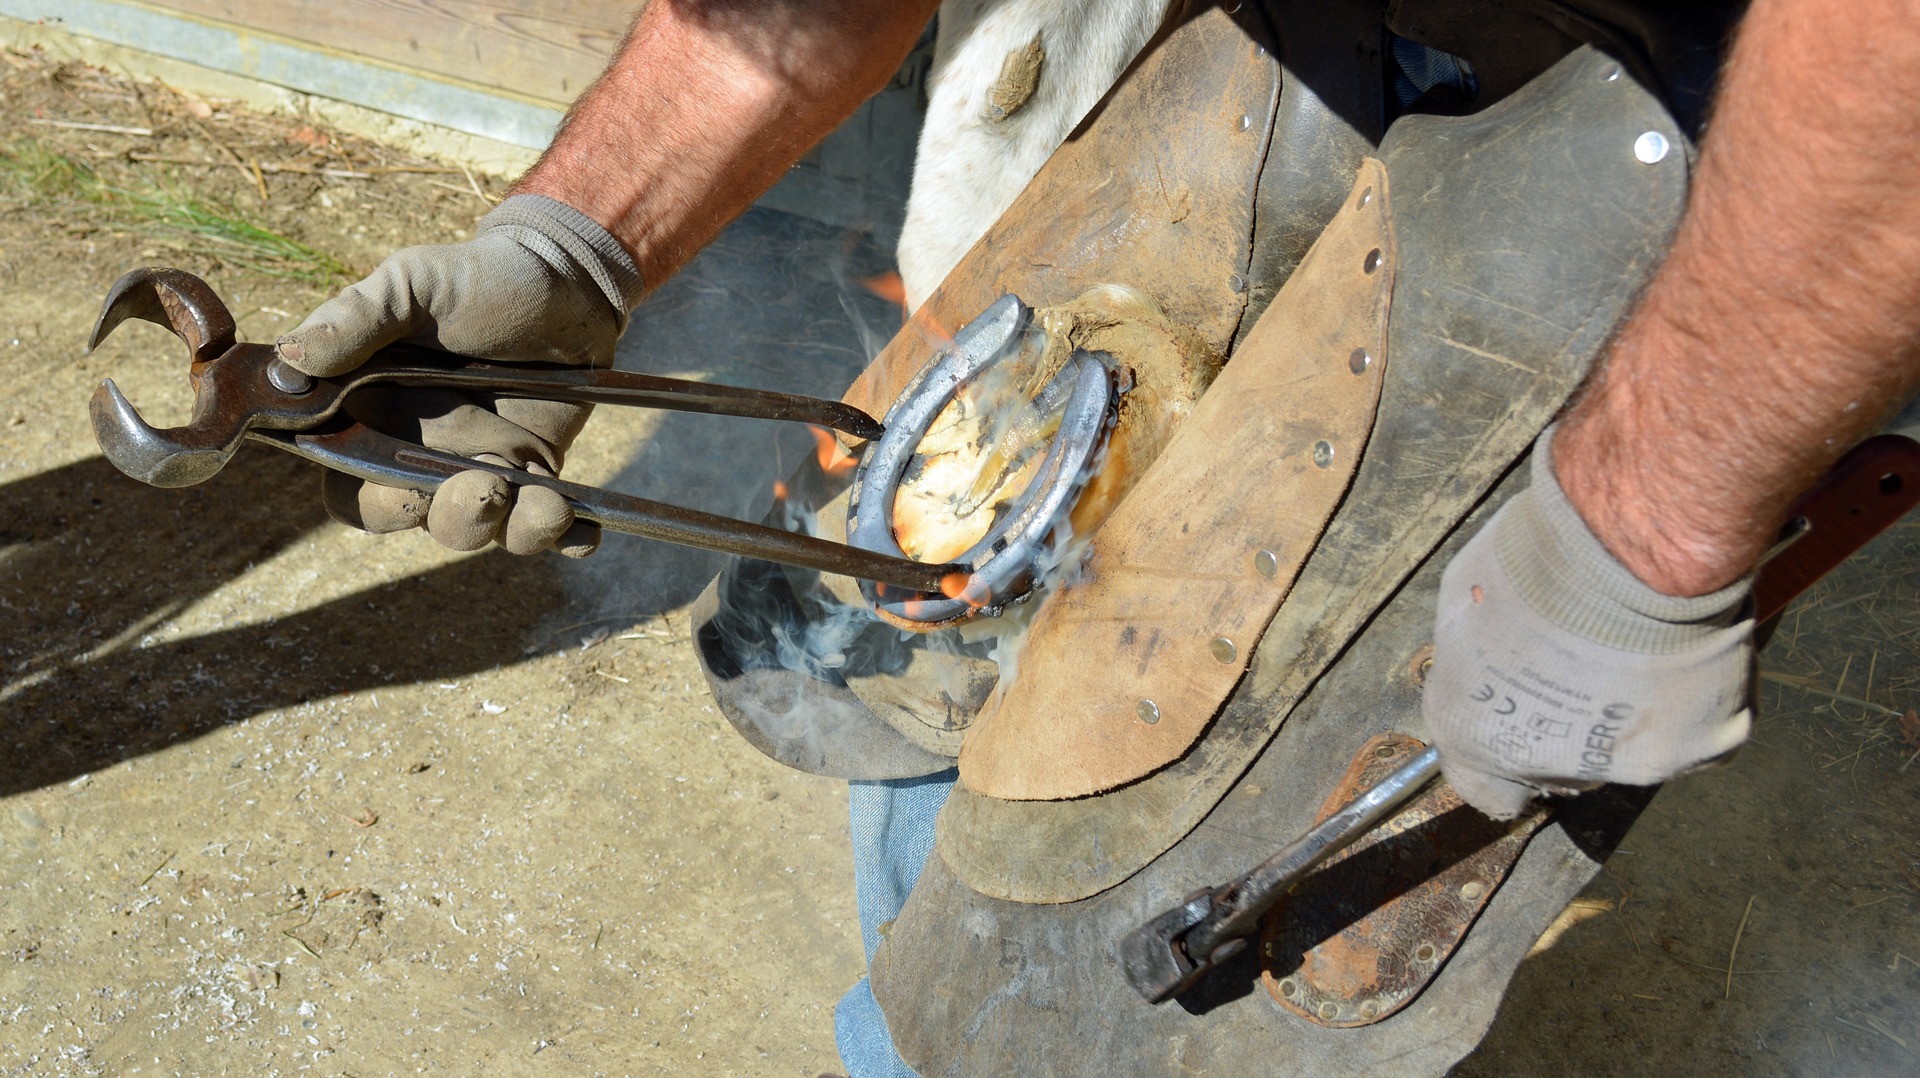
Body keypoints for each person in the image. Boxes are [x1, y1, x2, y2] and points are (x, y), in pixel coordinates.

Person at [274, 0, 1920, 1072]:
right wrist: (587, 231)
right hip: (1263, 48)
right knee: (944, 732)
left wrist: (1638, 531)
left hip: (1733, 140)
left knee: (1139, 979)